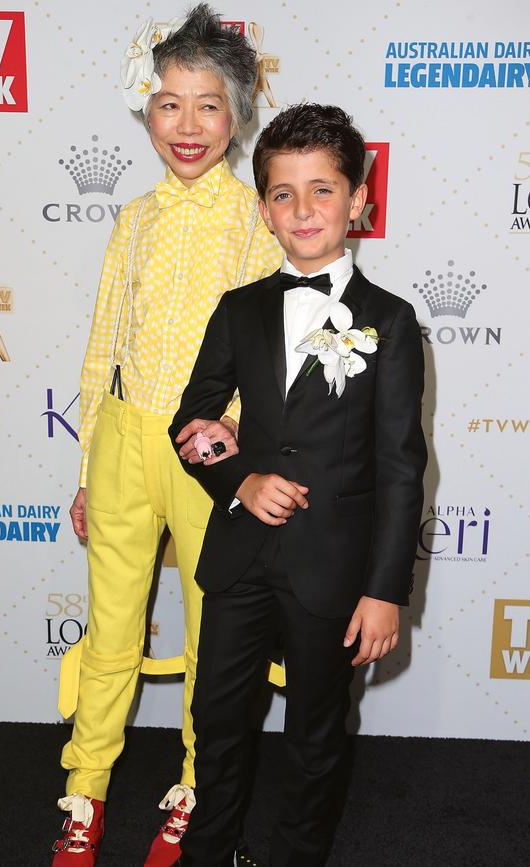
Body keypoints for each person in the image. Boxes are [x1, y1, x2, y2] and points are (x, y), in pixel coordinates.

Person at [50, 6, 283, 866]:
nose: (187, 126)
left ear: (238, 112)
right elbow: (99, 351)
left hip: (211, 453)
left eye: (208, 105)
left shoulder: (258, 221)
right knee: (111, 631)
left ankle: (193, 791)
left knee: (211, 637)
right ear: (146, 114)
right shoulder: (132, 220)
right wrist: (85, 468)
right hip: (120, 445)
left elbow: (268, 362)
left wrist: (240, 451)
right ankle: (85, 792)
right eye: (168, 105)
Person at [169, 103, 427, 866]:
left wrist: (386, 590)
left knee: (314, 732)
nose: (304, 209)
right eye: (284, 193)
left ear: (358, 202)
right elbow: (193, 419)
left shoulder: (393, 320)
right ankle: (209, 849)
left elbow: (400, 466)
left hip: (335, 569)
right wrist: (240, 479)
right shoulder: (239, 309)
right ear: (264, 210)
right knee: (216, 718)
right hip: (240, 557)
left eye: (323, 190)